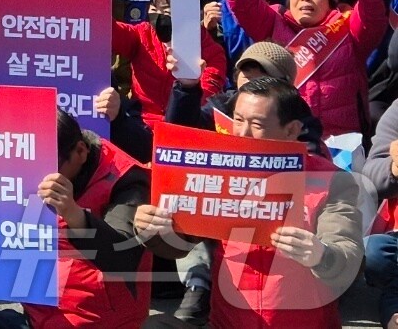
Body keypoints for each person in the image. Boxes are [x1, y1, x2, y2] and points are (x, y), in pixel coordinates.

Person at [134, 77, 363, 329]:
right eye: (238, 120)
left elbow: (348, 252)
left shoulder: (330, 181)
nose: (242, 133)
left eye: (256, 124)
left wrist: (321, 255)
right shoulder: (219, 171)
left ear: (291, 130)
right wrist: (154, 228)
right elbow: (179, 244)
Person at [0, 111, 153, 329]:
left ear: (81, 152)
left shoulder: (125, 179)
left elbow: (124, 258)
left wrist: (75, 214)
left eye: (47, 169)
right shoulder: (19, 168)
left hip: (98, 323)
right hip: (38, 318)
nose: (37, 179)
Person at [225, 0, 385, 137]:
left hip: (344, 145)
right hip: (285, 139)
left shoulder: (349, 28)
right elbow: (241, 2)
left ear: (331, 1)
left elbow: (374, 10)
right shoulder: (273, 22)